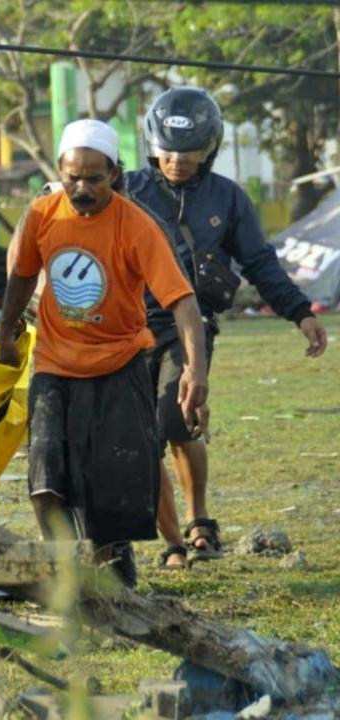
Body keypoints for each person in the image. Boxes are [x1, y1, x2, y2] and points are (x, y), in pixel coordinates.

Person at [0, 119, 209, 586]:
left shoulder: (136, 225)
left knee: (112, 486)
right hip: (54, 364)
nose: (82, 187)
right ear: (60, 170)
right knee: (46, 480)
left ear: (115, 173)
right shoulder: (42, 214)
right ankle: (64, 580)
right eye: (73, 177)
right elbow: (22, 277)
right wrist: (6, 332)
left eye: (95, 178)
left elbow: (181, 299)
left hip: (118, 365)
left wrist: (196, 369)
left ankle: (116, 577)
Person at [126, 87, 328, 562]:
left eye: (189, 152)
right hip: (127, 328)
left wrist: (301, 313)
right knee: (141, 436)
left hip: (188, 327)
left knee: (176, 419)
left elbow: (260, 263)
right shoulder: (125, 189)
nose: (176, 162)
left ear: (209, 149)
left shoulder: (228, 198)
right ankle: (173, 542)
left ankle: (200, 523)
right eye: (168, 151)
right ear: (153, 146)